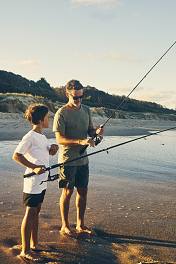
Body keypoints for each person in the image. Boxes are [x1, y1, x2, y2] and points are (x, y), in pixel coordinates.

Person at [53, 79, 104, 238]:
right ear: (67, 94)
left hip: (83, 159)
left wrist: (96, 134)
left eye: (81, 97)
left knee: (83, 191)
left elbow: (90, 132)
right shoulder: (61, 113)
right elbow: (60, 139)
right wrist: (80, 141)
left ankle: (80, 224)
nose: (79, 100)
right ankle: (65, 226)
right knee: (67, 192)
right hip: (68, 159)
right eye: (76, 97)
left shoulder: (87, 110)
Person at [13, 104, 59, 262]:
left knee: (36, 212)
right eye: (47, 117)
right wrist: (34, 168)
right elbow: (17, 156)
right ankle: (25, 250)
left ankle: (35, 243)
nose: (49, 119)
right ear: (41, 120)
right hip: (32, 181)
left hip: (42, 181)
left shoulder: (42, 136)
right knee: (30, 213)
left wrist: (53, 149)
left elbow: (45, 153)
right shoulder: (30, 136)